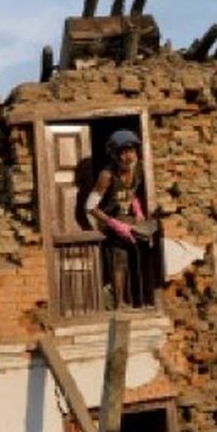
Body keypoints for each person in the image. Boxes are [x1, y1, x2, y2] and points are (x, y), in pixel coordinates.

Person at [82, 129, 154, 307]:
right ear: (114, 156)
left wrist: (137, 210)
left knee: (146, 242)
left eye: (131, 151)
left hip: (125, 216)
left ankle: (143, 299)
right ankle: (119, 302)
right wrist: (113, 224)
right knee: (119, 255)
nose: (128, 157)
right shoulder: (106, 176)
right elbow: (90, 207)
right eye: (123, 153)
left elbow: (131, 192)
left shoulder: (138, 169)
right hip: (106, 218)